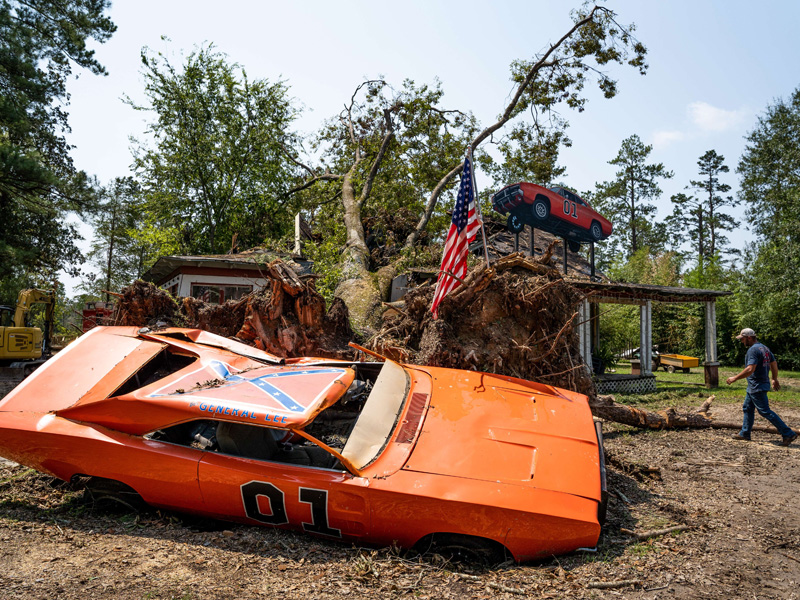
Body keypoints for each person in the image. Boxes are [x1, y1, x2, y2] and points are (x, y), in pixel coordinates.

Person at [726, 328, 797, 446]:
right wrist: (774, 378)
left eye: (743, 339)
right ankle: (745, 433)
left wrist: (735, 378)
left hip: (756, 385)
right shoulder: (764, 348)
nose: (742, 341)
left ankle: (788, 433)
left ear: (749, 337)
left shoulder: (753, 350)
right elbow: (773, 364)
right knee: (747, 408)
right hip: (758, 384)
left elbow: (750, 369)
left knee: (765, 411)